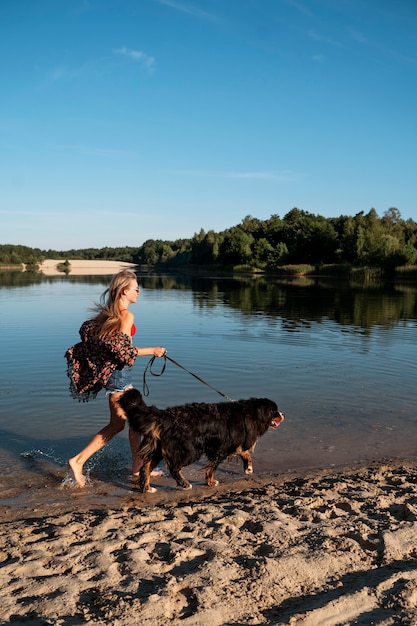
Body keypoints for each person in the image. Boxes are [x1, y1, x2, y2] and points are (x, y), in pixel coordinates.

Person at [65, 269, 166, 487]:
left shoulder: (109, 313)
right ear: (123, 291)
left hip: (116, 376)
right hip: (119, 377)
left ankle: (137, 467)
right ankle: (78, 461)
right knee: (117, 425)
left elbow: (117, 348)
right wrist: (154, 350)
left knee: (134, 421)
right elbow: (125, 352)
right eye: (135, 288)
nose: (139, 291)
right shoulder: (127, 315)